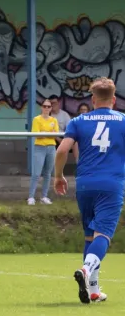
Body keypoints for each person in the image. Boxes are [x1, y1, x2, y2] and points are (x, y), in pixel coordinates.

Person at [55, 77, 125, 304]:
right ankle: (86, 270)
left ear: (93, 99)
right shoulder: (123, 120)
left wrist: (58, 176)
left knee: (89, 236)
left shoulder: (78, 121)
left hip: (84, 184)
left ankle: (93, 290)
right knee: (103, 234)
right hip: (111, 184)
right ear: (113, 99)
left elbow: (62, 150)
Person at [27, 99, 60, 205]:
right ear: (41, 107)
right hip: (39, 147)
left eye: (48, 106)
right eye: (44, 106)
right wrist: (48, 133)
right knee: (36, 173)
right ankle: (31, 197)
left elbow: (55, 135)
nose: (46, 108)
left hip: (51, 147)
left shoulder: (54, 120)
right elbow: (37, 134)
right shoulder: (36, 119)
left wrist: (44, 132)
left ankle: (44, 197)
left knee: (48, 173)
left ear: (51, 108)